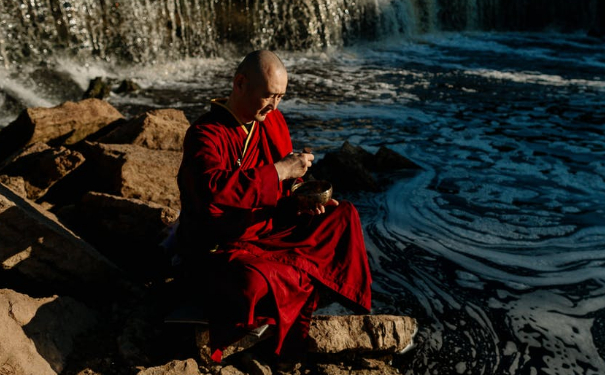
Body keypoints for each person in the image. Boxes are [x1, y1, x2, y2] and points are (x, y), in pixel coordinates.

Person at [176, 50, 372, 363]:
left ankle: (295, 287)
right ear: (240, 84)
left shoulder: (272, 120)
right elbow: (213, 191)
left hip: (270, 227)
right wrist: (281, 170)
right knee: (252, 282)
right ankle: (296, 291)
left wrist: (303, 197)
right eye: (269, 96)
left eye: (280, 97)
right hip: (223, 243)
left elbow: (284, 187)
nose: (275, 106)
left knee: (343, 215)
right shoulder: (205, 134)